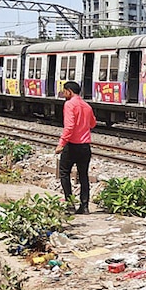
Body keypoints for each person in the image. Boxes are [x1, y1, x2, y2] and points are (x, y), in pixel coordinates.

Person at [54, 81, 97, 214]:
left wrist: (61, 143)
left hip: (72, 145)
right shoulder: (87, 106)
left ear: (69, 91)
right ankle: (84, 206)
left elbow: (69, 126)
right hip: (85, 147)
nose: (63, 93)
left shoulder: (69, 104)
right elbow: (93, 123)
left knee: (64, 173)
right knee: (83, 175)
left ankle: (70, 203)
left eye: (64, 91)